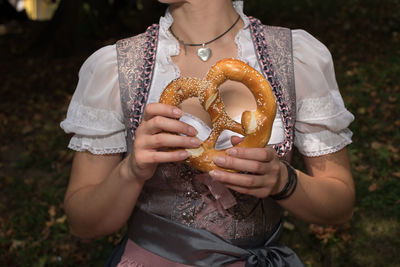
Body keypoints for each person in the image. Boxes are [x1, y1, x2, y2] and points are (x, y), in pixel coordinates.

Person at [60, 0, 355, 266]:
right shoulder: (115, 68)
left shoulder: (295, 56)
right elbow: (83, 225)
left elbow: (339, 208)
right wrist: (131, 171)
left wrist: (284, 181)